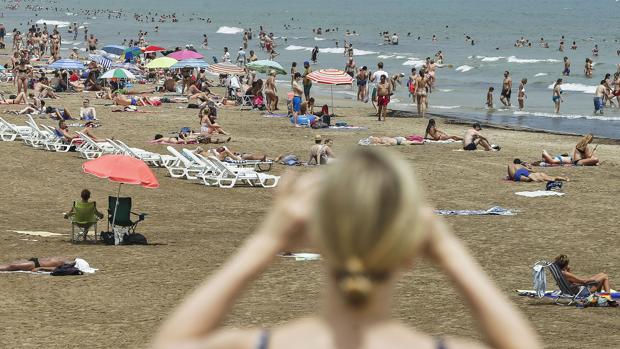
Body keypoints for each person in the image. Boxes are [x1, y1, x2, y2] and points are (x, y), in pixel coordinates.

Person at [153, 148, 542, 349]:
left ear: (314, 237)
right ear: (411, 247)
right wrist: (447, 248)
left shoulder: (258, 345)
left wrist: (266, 241)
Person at [0, 256, 80, 272]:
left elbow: (55, 269)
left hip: (36, 264)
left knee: (12, 266)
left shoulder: (67, 265)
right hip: (36, 260)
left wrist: (41, 268)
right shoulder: (65, 259)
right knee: (13, 264)